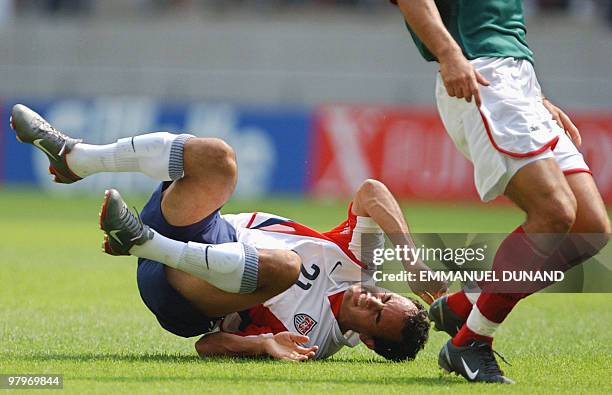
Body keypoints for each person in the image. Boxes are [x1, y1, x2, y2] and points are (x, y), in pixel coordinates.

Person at [9, 104, 440, 361]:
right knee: (219, 158)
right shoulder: (360, 262)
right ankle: (77, 158)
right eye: (385, 296)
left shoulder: (314, 338)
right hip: (207, 230)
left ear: (365, 339)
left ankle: (145, 243)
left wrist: (264, 345)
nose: (372, 298)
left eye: (377, 314)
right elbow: (371, 192)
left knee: (286, 266)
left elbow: (208, 344)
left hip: (182, 295)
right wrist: (411, 257)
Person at [391, 0, 610, 384]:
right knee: (554, 212)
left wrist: (536, 97)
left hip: (519, 82)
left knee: (591, 228)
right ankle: (471, 342)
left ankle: (465, 305)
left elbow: (499, 21)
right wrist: (450, 54)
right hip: (483, 76)